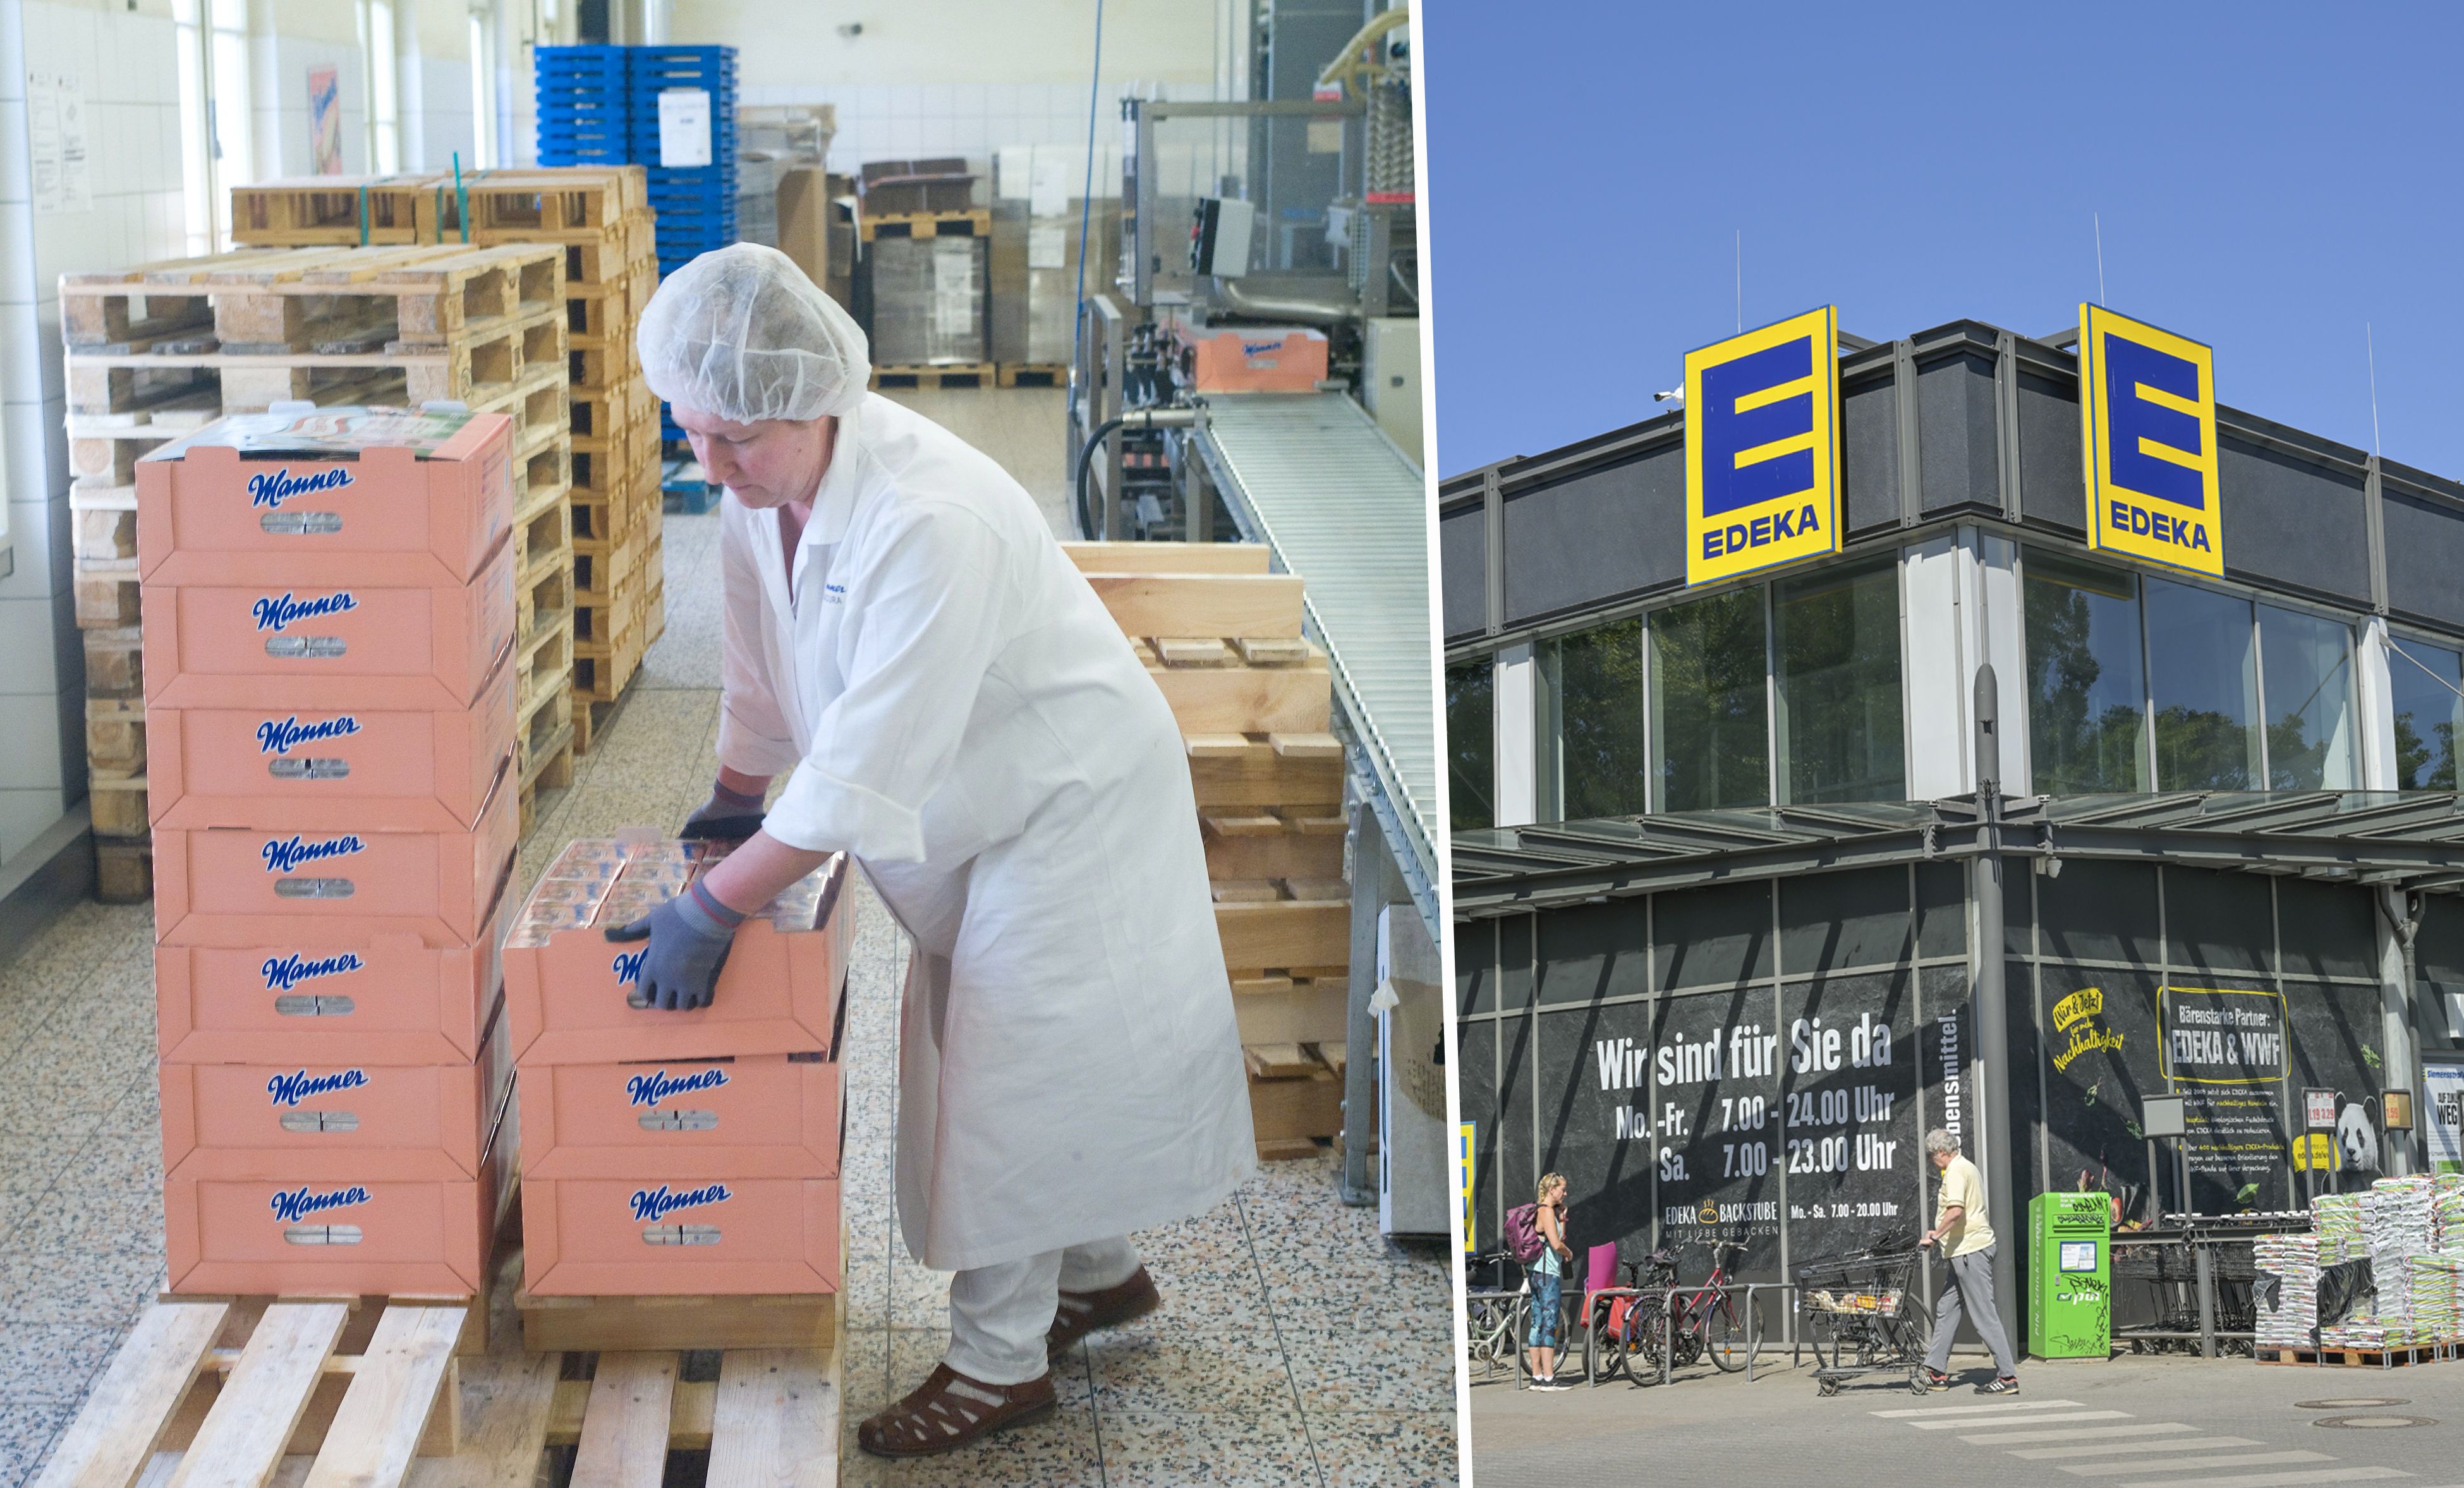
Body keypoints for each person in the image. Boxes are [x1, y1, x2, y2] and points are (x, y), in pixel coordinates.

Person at [614, 245, 1256, 1457]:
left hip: (1066, 804)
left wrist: (717, 912)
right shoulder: (766, 484)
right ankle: (1099, 1277)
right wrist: (729, 803)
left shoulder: (927, 516)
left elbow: (861, 768)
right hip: (980, 796)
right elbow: (757, 664)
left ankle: (998, 1366)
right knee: (1032, 1065)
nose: (708, 466)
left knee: (1005, 1081)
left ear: (812, 405)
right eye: (689, 435)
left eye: (732, 441)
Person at [1919, 1129, 2018, 1394]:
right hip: (1962, 1252)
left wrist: (1934, 1236)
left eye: (1932, 1157)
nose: (1933, 1162)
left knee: (1984, 1316)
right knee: (1947, 1309)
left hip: (1969, 1252)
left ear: (1941, 1152)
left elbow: (1956, 1211)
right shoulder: (1968, 1167)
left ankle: (2008, 1377)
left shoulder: (1954, 1171)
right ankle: (1936, 1371)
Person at [1524, 1173, 1574, 1389]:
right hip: (1547, 1275)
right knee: (1549, 1323)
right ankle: (1548, 1377)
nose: (1565, 1193)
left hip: (1535, 1273)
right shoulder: (1545, 1212)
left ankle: (1536, 1377)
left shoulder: (1543, 1211)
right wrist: (1569, 1253)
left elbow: (1557, 1237)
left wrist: (1563, 1217)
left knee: (1537, 1323)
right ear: (1552, 1189)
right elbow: (1556, 1244)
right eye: (1562, 1189)